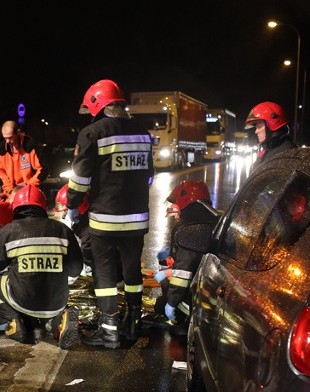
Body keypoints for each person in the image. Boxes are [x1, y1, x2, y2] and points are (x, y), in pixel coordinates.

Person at [66, 79, 153, 348]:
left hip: (105, 219)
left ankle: (109, 331)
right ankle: (133, 322)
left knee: (103, 274)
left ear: (97, 105)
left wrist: (72, 205)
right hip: (137, 219)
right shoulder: (142, 132)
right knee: (132, 271)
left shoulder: (93, 133)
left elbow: (80, 178)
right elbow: (149, 176)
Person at [0, 185, 83, 349]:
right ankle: (59, 320)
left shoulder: (8, 231)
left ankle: (13, 320)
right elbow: (75, 270)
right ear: (43, 207)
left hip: (24, 301)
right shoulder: (63, 230)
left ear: (15, 207)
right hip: (57, 301)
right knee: (45, 298)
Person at [153, 180, 219, 326]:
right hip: (211, 290)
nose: (175, 214)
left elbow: (183, 273)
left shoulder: (191, 231)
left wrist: (171, 303)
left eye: (176, 207)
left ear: (185, 201)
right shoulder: (212, 220)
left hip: (200, 300)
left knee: (160, 305)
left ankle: (182, 316)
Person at [0, 120, 44, 198]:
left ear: (18, 132)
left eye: (10, 137)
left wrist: (28, 187)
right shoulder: (2, 150)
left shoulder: (30, 146)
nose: (7, 141)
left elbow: (42, 169)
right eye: (5, 138)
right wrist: (11, 190)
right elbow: (0, 171)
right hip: (10, 193)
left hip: (30, 192)